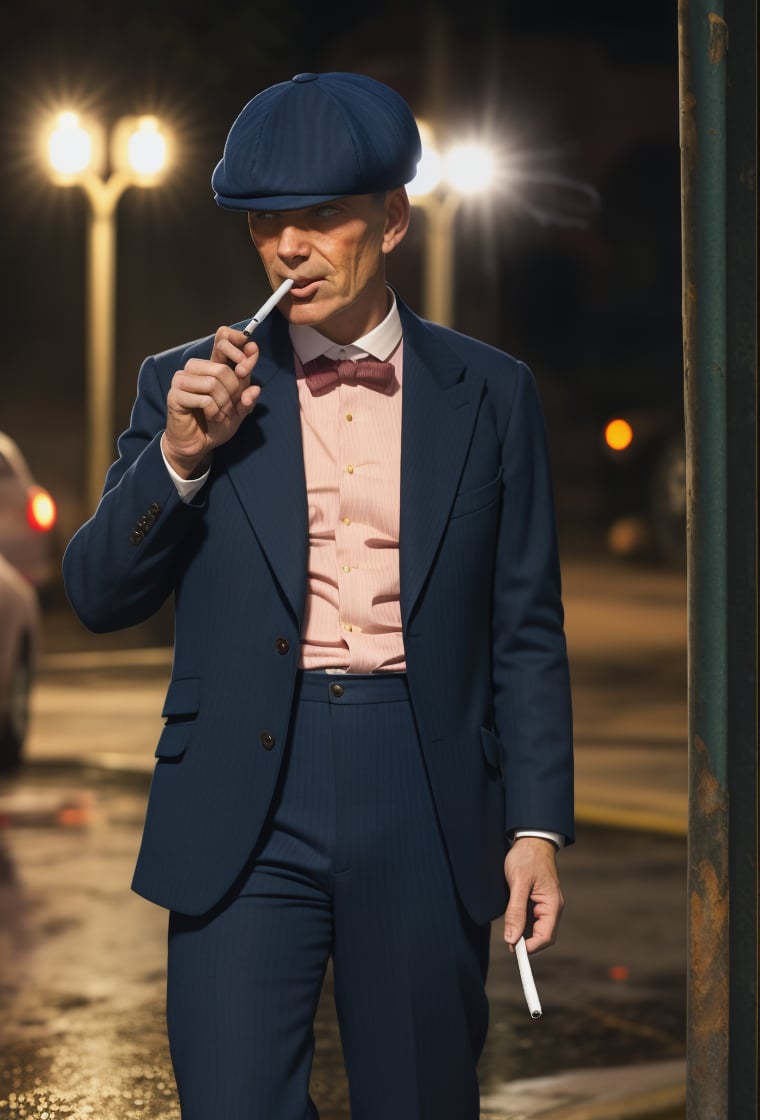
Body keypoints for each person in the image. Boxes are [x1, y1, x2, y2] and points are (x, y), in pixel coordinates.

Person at [63, 71, 574, 1120]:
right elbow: (98, 595)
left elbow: (524, 629)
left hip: (423, 788)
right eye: (266, 227)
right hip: (243, 796)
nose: (288, 248)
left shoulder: (492, 392)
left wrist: (536, 827)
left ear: (390, 220)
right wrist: (178, 459)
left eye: (319, 220)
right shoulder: (188, 386)